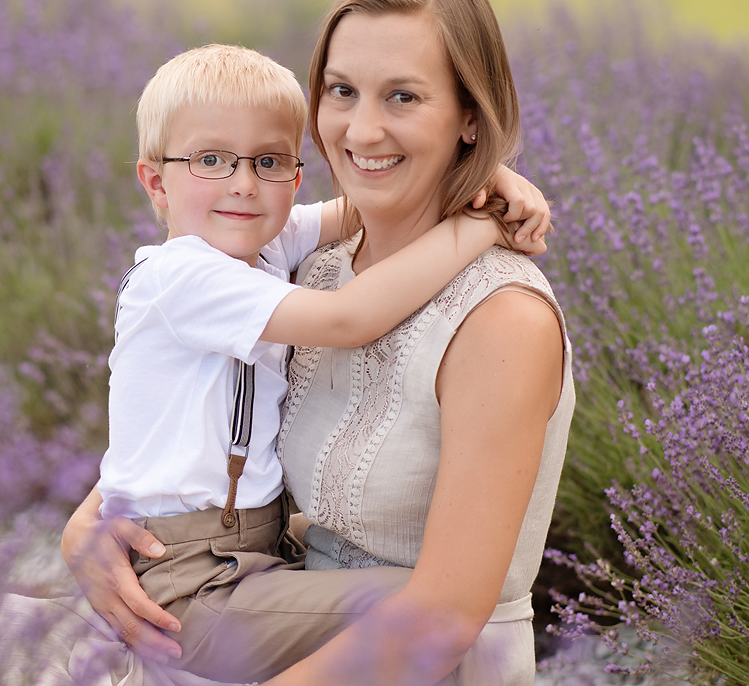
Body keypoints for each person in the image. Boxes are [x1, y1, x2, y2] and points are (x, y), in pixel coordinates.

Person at [63, 0, 648, 686]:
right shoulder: (314, 264)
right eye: (340, 91)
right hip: (268, 604)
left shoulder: (499, 318)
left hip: (414, 683)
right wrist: (88, 520)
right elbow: (198, 416)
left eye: (403, 96)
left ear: (469, 116)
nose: (361, 129)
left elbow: (439, 617)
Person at [102, 42, 543, 639]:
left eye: (269, 162)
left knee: (422, 595)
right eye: (211, 160)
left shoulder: (263, 246)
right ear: (156, 183)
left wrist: (479, 172)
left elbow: (362, 208)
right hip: (191, 577)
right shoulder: (181, 276)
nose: (243, 186)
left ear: (294, 173)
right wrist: (480, 223)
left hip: (250, 545)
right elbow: (348, 319)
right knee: (427, 603)